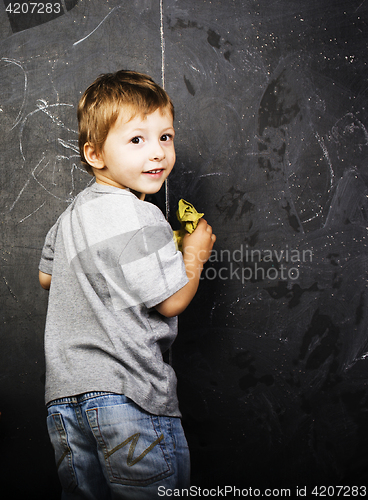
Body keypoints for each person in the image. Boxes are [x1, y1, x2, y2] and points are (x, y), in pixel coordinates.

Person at [38, 69, 215, 499]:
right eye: (137, 140)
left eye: (165, 137)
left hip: (65, 401)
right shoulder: (141, 216)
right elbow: (171, 302)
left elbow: (46, 276)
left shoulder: (71, 216)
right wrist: (194, 251)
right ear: (95, 154)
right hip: (129, 397)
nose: (156, 153)